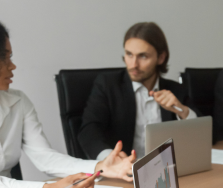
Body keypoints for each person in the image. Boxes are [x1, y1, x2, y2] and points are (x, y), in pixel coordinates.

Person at [0, 11, 135, 188]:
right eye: (2, 57)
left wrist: (100, 167)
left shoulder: (18, 101)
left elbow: (45, 158)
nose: (12, 65)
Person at [78, 22, 198, 160]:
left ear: (161, 58)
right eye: (129, 54)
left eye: (143, 56)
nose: (134, 64)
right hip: (122, 172)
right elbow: (88, 131)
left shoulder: (175, 90)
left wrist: (181, 110)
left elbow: (206, 136)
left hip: (165, 170)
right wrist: (110, 158)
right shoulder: (108, 85)